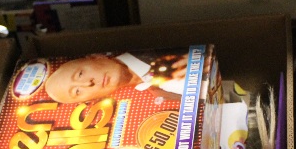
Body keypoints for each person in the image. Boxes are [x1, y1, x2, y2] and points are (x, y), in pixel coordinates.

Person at [43, 51, 188, 103]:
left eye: (80, 74)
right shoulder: (158, 94)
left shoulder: (152, 46)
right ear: (94, 99)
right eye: (77, 92)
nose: (88, 83)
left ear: (95, 57)